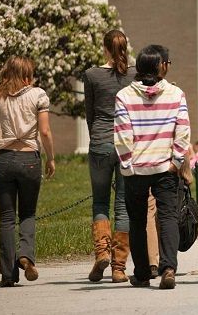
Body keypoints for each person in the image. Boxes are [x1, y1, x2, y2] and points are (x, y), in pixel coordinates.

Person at [115, 45, 190, 289]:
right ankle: (168, 268)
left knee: (137, 220)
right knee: (167, 217)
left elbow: (123, 135)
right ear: (162, 66)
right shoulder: (176, 94)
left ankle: (143, 273)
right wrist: (176, 162)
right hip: (165, 168)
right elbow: (183, 131)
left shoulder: (124, 96)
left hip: (136, 169)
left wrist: (126, 166)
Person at [0, 56, 56, 287]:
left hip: (4, 161)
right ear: (26, 75)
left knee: (6, 218)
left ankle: (8, 275)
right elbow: (45, 130)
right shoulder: (38, 95)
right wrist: (50, 158)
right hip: (29, 159)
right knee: (28, 213)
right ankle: (26, 256)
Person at [82, 29, 136, 283]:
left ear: (104, 48)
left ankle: (102, 253)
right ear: (126, 47)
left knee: (100, 202)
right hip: (126, 144)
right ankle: (119, 267)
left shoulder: (92, 75)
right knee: (123, 205)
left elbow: (90, 114)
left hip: (101, 142)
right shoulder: (134, 75)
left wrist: (96, 136)